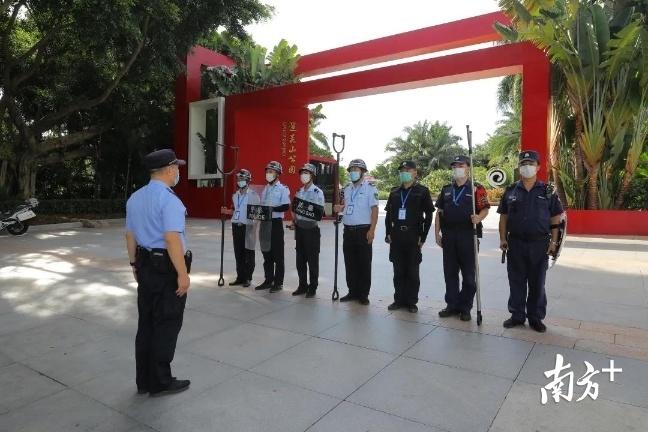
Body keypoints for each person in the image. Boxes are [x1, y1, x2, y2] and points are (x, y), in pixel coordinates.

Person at [125, 149, 192, 397]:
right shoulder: (169, 200)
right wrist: (182, 275)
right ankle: (161, 381)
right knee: (166, 323)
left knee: (146, 324)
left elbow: (130, 235)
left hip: (144, 264)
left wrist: (134, 264)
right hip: (166, 268)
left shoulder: (135, 198)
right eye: (177, 167)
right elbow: (172, 239)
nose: (178, 172)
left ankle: (144, 380)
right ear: (169, 169)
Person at [498, 150, 564, 333]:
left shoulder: (547, 191)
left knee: (537, 283)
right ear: (519, 167)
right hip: (515, 243)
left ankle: (535, 317)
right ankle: (517, 315)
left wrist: (553, 242)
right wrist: (503, 238)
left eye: (531, 164)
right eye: (524, 164)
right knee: (516, 281)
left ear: (538, 167)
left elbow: (555, 219)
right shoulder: (510, 191)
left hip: (539, 244)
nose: (527, 167)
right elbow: (503, 217)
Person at [434, 155, 490, 322]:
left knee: (469, 277)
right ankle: (452, 305)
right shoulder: (446, 190)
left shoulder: (476, 189)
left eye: (461, 165)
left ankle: (465, 307)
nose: (458, 168)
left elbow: (485, 208)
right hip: (449, 236)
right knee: (450, 273)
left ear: (468, 168)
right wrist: (437, 233)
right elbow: (439, 213)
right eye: (455, 166)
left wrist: (479, 218)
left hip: (468, 236)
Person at [384, 161, 434, 313]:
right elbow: (388, 214)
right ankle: (398, 300)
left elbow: (429, 214)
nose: (404, 172)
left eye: (408, 170)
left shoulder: (422, 191)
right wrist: (388, 233)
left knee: (412, 271)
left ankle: (412, 301)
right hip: (397, 235)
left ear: (415, 173)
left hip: (413, 235)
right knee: (398, 271)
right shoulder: (394, 192)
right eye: (402, 170)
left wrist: (423, 236)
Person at [333, 159, 379, 305]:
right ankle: (352, 291)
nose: (353, 172)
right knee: (350, 262)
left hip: (363, 230)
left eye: (356, 169)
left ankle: (363, 294)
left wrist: (372, 230)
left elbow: (374, 210)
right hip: (348, 230)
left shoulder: (370, 188)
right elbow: (345, 206)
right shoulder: (347, 189)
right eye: (351, 170)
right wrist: (339, 208)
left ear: (363, 172)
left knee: (364, 263)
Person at [288, 163, 325, 298]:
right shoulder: (299, 191)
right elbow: (294, 209)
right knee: (300, 260)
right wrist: (294, 220)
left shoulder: (317, 192)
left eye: (307, 173)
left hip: (311, 230)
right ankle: (302, 285)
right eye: (302, 173)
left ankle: (312, 287)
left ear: (312, 175)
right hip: (300, 230)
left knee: (312, 260)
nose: (303, 175)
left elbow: (318, 213)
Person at [221, 169, 260, 288]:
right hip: (236, 226)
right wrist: (226, 211)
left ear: (248, 180)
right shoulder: (235, 195)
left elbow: (257, 214)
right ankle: (240, 277)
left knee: (248, 253)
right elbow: (235, 210)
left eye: (242, 179)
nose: (240, 181)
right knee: (238, 253)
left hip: (248, 226)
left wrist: (254, 228)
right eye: (238, 179)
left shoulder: (253, 195)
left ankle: (248, 277)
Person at [255, 161, 290, 293]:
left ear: (278, 174)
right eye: (267, 171)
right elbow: (262, 206)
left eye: (271, 172)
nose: (268, 174)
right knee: (266, 253)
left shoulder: (283, 188)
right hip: (265, 223)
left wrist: (271, 209)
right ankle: (268, 280)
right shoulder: (265, 189)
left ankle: (278, 283)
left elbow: (286, 206)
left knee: (278, 255)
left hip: (275, 224)